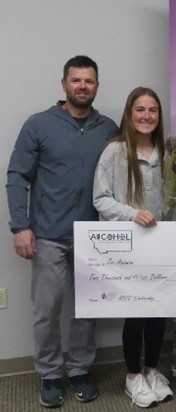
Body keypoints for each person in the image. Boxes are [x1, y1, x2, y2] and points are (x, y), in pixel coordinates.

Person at [6, 55, 119, 408]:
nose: (82, 86)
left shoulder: (108, 128)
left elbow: (126, 174)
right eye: (76, 80)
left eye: (89, 81)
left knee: (87, 311)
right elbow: (16, 176)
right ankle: (51, 375)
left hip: (93, 237)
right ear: (64, 84)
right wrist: (20, 227)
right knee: (46, 310)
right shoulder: (39, 125)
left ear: (97, 86)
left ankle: (80, 369)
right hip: (48, 235)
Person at [93, 87, 176, 408]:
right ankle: (133, 376)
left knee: (158, 309)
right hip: (129, 246)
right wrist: (134, 214)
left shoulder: (168, 155)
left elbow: (166, 208)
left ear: (159, 116)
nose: (147, 116)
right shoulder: (114, 153)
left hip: (161, 244)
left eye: (152, 110)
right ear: (129, 114)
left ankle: (152, 369)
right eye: (140, 110)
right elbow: (101, 199)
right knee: (135, 312)